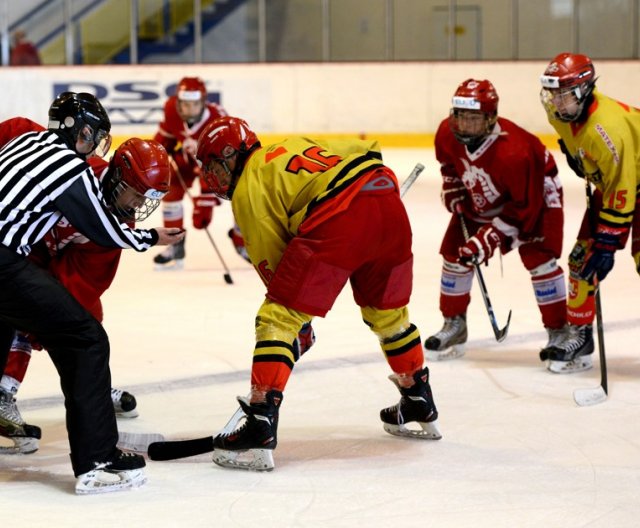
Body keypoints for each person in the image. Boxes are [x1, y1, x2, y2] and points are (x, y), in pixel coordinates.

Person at [193, 116, 441, 472]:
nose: (212, 177)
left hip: (339, 215)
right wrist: (372, 202)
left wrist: (298, 323)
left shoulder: (248, 187)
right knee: (387, 314)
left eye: (214, 165)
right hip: (386, 201)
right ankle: (418, 398)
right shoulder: (292, 143)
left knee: (278, 316)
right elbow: (367, 152)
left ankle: (260, 423)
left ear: (232, 155)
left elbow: (276, 270)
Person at [0, 92, 184, 494]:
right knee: (86, 341)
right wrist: (150, 236)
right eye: (95, 134)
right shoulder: (71, 166)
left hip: (11, 261)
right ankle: (96, 461)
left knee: (11, 318)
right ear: (81, 131)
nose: (97, 141)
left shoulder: (24, 141)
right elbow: (103, 228)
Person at [424, 79, 567, 365]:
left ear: (491, 118)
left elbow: (524, 209)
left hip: (535, 195)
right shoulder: (446, 132)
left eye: (473, 118)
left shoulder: (517, 152)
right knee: (455, 256)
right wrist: (452, 184)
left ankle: (559, 331)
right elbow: (449, 163)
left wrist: (489, 238)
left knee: (539, 260)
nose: (463, 124)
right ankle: (455, 325)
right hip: (489, 191)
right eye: (459, 116)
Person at [539, 52, 640, 372]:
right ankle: (581, 335)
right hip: (615, 186)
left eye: (564, 94)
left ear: (584, 90)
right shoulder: (559, 113)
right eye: (553, 94)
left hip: (628, 183)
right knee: (581, 260)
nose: (556, 102)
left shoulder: (606, 128)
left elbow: (623, 188)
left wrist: (608, 242)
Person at [152, 76, 231, 268]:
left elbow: (222, 164)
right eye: (184, 104)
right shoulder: (171, 109)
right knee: (170, 191)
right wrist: (158, 152)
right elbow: (166, 136)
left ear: (203, 102)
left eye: (194, 104)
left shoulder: (218, 119)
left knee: (204, 217)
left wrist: (205, 200)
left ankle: (241, 238)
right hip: (186, 160)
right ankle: (175, 243)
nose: (188, 110)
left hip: (213, 167)